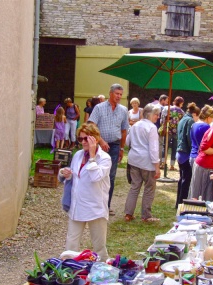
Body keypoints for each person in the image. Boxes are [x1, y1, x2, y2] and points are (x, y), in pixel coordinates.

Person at [59, 123, 111, 262]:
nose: (82, 142)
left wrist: (93, 156)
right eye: (80, 139)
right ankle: (69, 271)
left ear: (95, 139)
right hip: (77, 205)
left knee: (99, 246)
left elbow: (95, 177)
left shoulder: (104, 158)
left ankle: (103, 272)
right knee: (71, 243)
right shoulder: (78, 155)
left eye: (86, 139)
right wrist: (67, 174)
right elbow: (76, 177)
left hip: (95, 207)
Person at [88, 84, 129, 215]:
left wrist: (122, 148)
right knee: (95, 173)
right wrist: (101, 141)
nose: (119, 96)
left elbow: (124, 131)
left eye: (121, 94)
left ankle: (106, 205)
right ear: (110, 93)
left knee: (110, 176)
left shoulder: (123, 110)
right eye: (117, 93)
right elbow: (91, 126)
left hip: (115, 146)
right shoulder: (99, 108)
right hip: (99, 145)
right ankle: (94, 204)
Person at [124, 104, 161, 222]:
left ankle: (128, 214)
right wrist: (157, 167)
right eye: (156, 114)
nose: (158, 117)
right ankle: (146, 215)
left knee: (134, 187)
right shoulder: (151, 127)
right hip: (147, 161)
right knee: (149, 188)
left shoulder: (135, 125)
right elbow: (154, 149)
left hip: (134, 159)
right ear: (150, 114)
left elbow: (127, 142)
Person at [175, 102, 201, 208]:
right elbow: (189, 138)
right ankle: (182, 203)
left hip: (180, 152)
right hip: (186, 153)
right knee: (186, 180)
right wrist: (194, 150)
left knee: (182, 179)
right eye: (198, 117)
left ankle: (178, 203)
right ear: (195, 114)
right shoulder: (190, 121)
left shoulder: (182, 119)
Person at [161, 96, 185, 170]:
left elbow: (162, 119)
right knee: (174, 148)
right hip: (176, 132)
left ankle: (162, 163)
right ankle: (172, 165)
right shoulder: (182, 112)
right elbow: (182, 123)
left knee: (165, 147)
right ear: (181, 103)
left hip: (168, 130)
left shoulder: (167, 109)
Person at [155, 94, 169, 168]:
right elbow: (162, 121)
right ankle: (159, 162)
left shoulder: (154, 106)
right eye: (166, 101)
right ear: (162, 100)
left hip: (153, 128)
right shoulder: (163, 108)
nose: (167, 103)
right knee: (160, 145)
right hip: (159, 129)